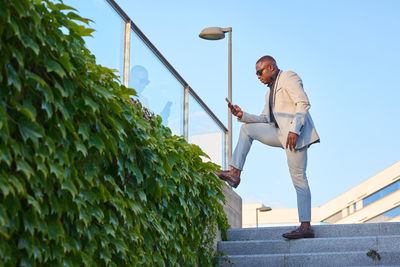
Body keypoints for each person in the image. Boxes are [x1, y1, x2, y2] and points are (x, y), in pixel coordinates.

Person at [215, 55, 320, 239]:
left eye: (260, 72)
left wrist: (295, 130)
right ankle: (235, 173)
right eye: (256, 74)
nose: (258, 76)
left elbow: (303, 103)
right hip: (278, 133)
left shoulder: (288, 77)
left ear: (271, 67)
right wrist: (242, 114)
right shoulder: (269, 93)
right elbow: (265, 119)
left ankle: (305, 226)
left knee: (298, 179)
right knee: (247, 129)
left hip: (295, 136)